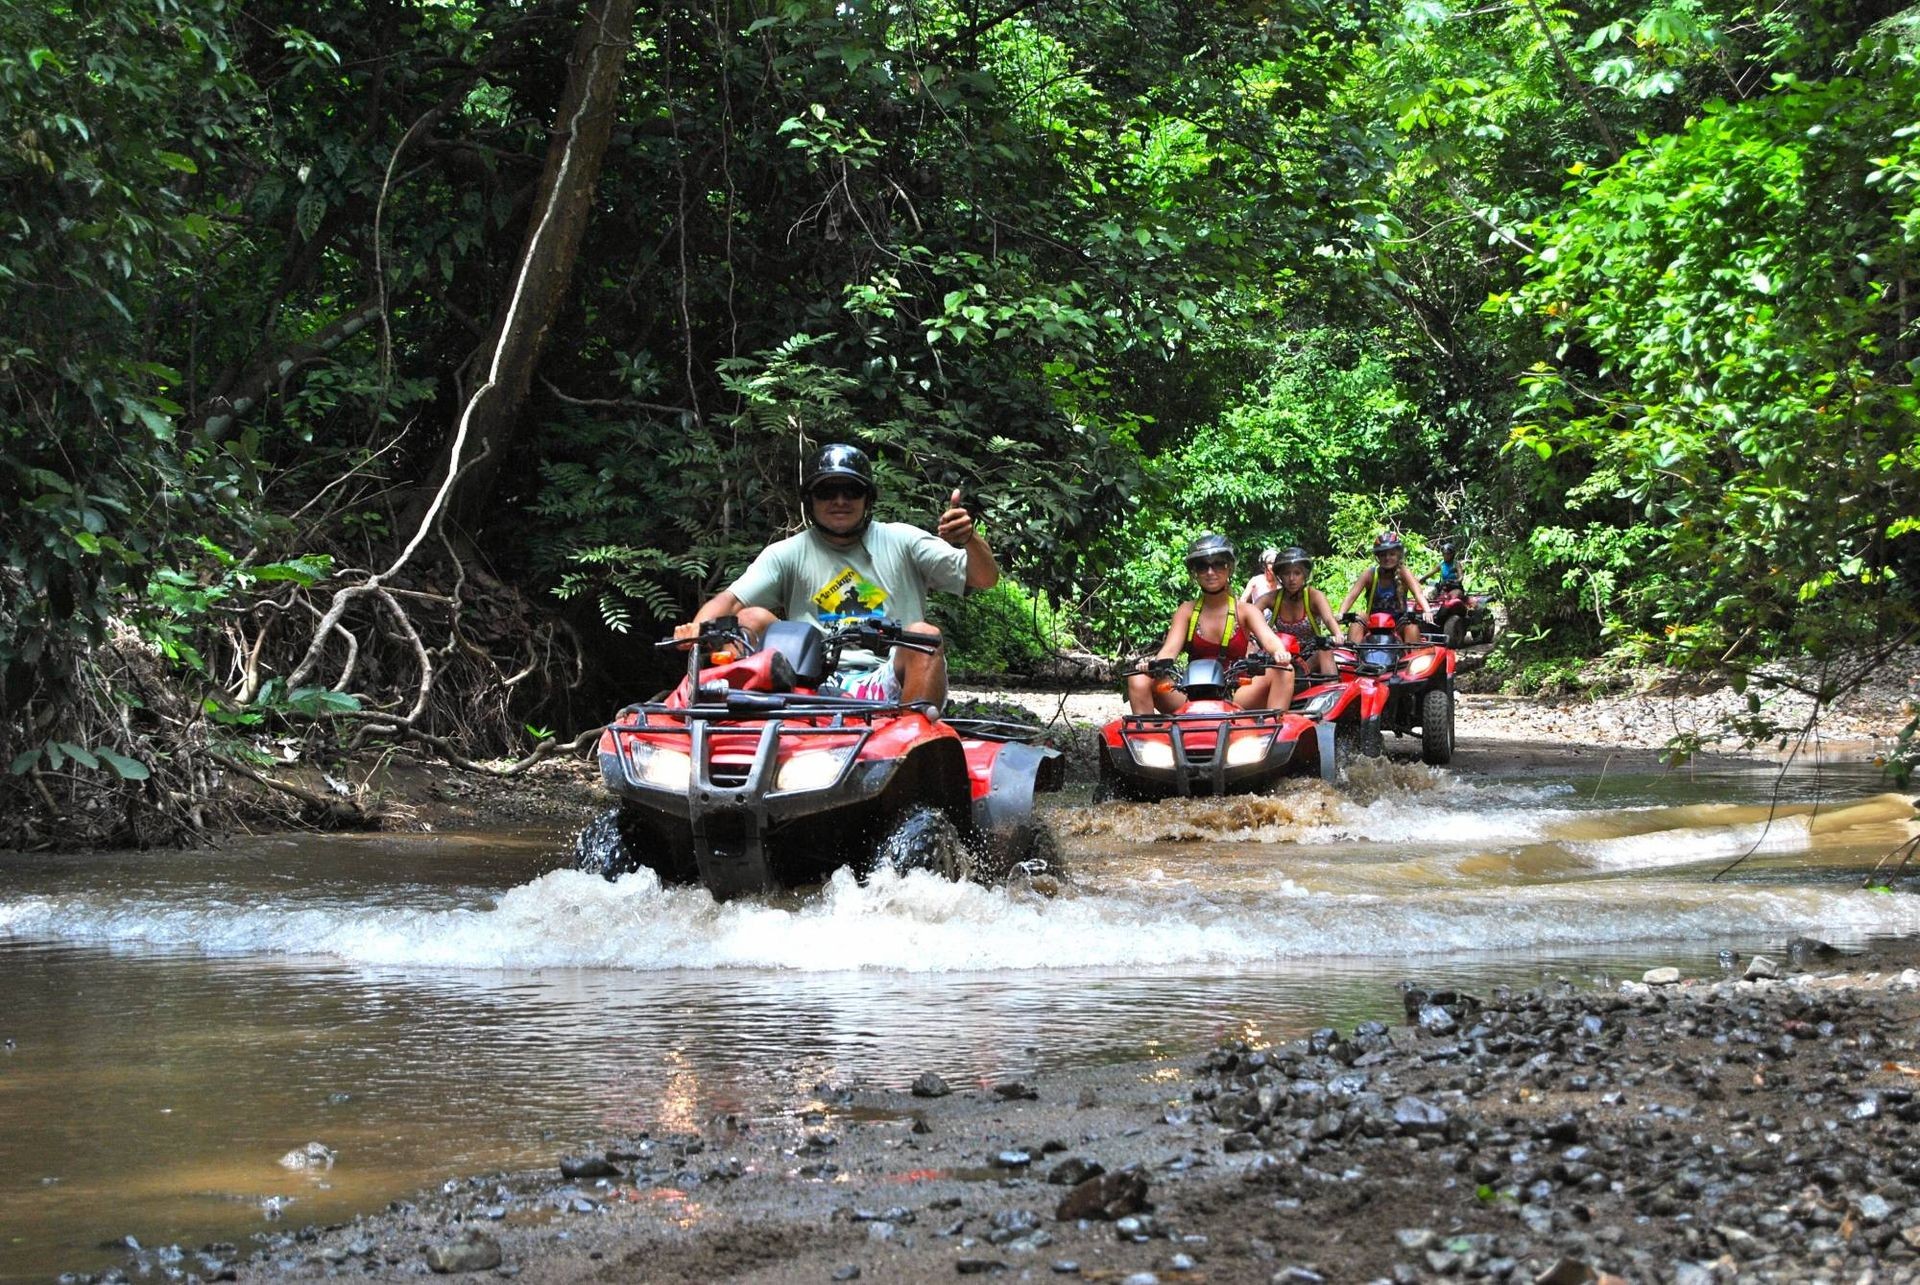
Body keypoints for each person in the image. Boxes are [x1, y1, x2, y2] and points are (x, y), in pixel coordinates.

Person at [673, 443, 996, 707]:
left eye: (850, 491)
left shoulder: (903, 540)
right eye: (827, 492)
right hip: (805, 677)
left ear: (866, 499)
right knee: (751, 617)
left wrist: (969, 538)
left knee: (924, 635)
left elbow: (983, 578)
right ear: (810, 501)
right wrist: (696, 630)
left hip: (883, 678)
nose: (839, 501)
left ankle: (914, 739)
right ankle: (732, 713)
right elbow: (730, 602)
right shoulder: (789, 552)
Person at [1126, 534, 1296, 716]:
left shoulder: (1245, 611)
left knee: (1285, 669)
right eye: (1202, 566)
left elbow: (1270, 640)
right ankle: (1149, 742)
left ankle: (1275, 735)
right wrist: (1153, 665)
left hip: (1236, 695)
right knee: (1138, 679)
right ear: (1194, 572)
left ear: (1229, 567)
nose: (1210, 572)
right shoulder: (1186, 610)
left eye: (1217, 564)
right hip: (1189, 695)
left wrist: (1279, 652)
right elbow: (1169, 651)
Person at [1251, 546, 1341, 677]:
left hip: (1311, 656)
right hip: (1282, 656)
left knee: (1324, 651)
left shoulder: (1314, 596)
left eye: (1297, 573)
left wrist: (1337, 634)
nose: (1292, 578)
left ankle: (1331, 692)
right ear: (1280, 576)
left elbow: (1328, 619)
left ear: (1304, 575)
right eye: (1287, 574)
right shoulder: (1273, 598)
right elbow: (1250, 613)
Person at [1336, 530, 1429, 645]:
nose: (1387, 558)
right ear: (1377, 557)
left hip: (1398, 624)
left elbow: (1418, 593)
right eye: (1383, 554)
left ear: (1398, 555)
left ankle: (1412, 659)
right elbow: (1351, 596)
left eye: (1391, 554)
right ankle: (1353, 656)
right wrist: (1340, 614)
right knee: (1358, 617)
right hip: (1374, 625)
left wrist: (1427, 611)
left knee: (1412, 627)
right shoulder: (1370, 574)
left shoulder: (1404, 572)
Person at [1239, 547, 1282, 622]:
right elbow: (1243, 601)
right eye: (1270, 563)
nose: (1274, 566)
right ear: (1264, 565)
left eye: (1276, 563)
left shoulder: (1281, 584)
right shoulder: (1256, 580)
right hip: (1258, 621)